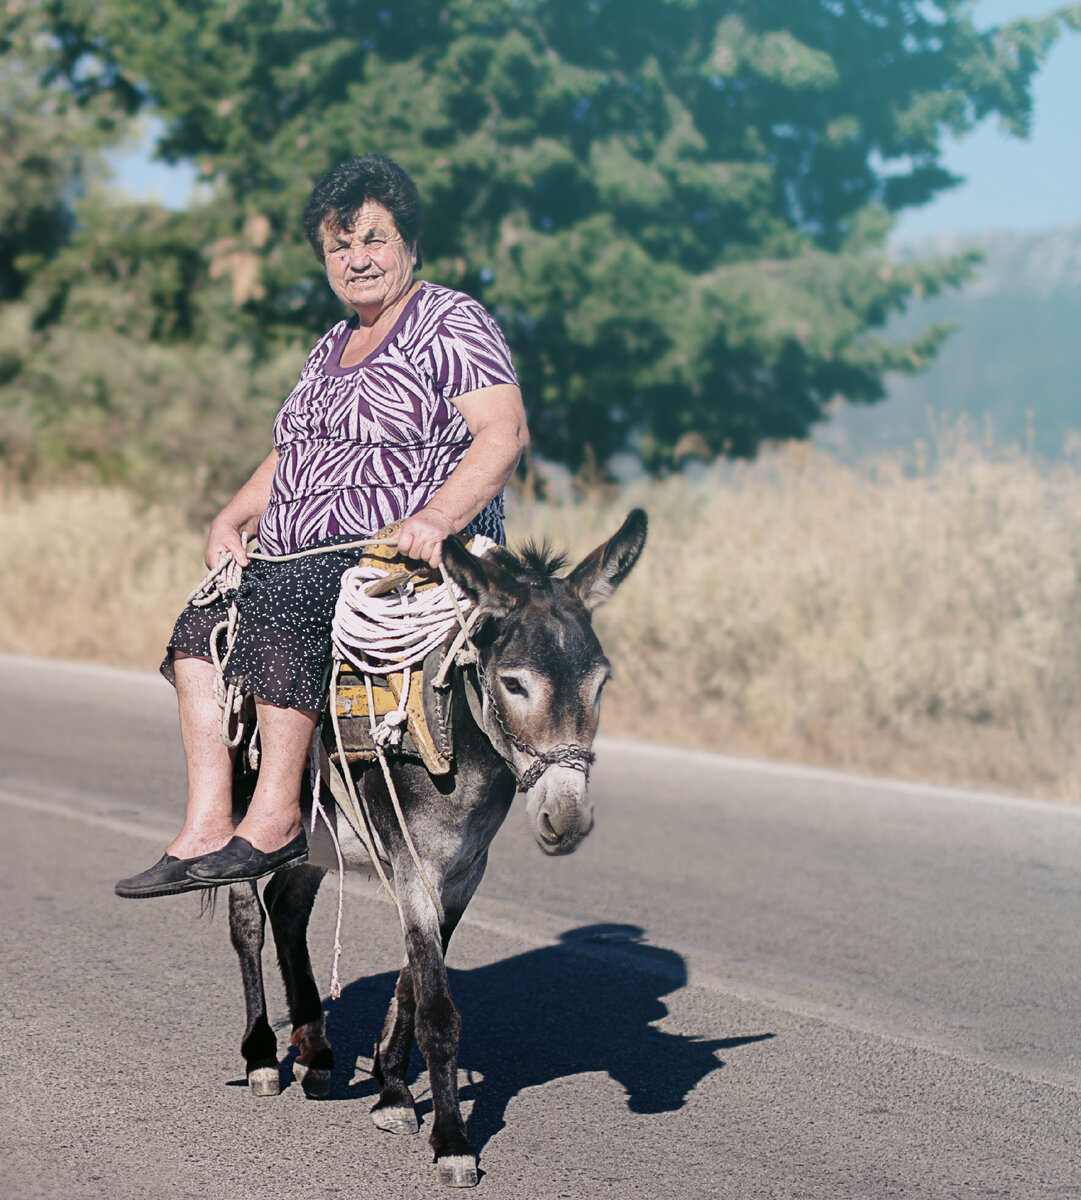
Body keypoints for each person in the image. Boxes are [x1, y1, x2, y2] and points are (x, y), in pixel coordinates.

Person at [115, 155, 529, 898]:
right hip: (300, 547)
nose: (357, 258)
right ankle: (208, 823)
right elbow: (294, 450)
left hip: (404, 550)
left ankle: (273, 821)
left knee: (285, 595)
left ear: (409, 243)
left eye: (373, 238)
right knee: (196, 627)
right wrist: (232, 515)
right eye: (339, 246)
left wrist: (436, 517)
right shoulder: (331, 345)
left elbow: (501, 434)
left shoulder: (449, 320)